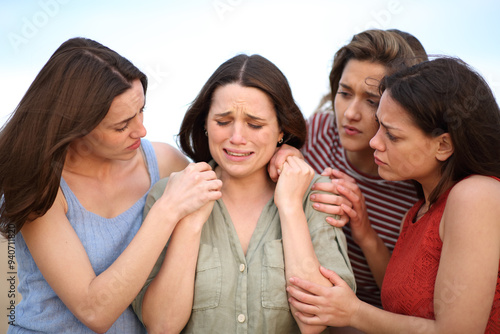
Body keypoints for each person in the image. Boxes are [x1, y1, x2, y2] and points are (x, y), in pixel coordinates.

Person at [0, 37, 222, 333]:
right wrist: (166, 210)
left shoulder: (163, 161)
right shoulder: (39, 184)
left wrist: (281, 151)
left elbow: (235, 182)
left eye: (142, 109)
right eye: (122, 125)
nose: (141, 130)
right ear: (77, 128)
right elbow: (95, 310)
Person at [132, 54, 355, 334]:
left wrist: (289, 208)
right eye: (223, 121)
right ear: (204, 123)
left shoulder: (316, 196)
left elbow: (318, 322)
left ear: (281, 131)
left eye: (255, 124)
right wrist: (190, 223)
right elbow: (161, 326)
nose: (237, 137)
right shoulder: (167, 196)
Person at [286, 57, 500, 333]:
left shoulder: (475, 196)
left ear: (443, 145)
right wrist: (364, 232)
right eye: (379, 127)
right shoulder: (418, 213)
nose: (375, 142)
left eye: (392, 136)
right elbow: (405, 300)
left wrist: (353, 311)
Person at [271, 29, 425, 308]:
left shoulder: (414, 183)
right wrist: (281, 156)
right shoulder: (317, 130)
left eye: (371, 101)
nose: (350, 113)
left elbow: (400, 300)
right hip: (287, 296)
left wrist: (364, 233)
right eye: (344, 93)